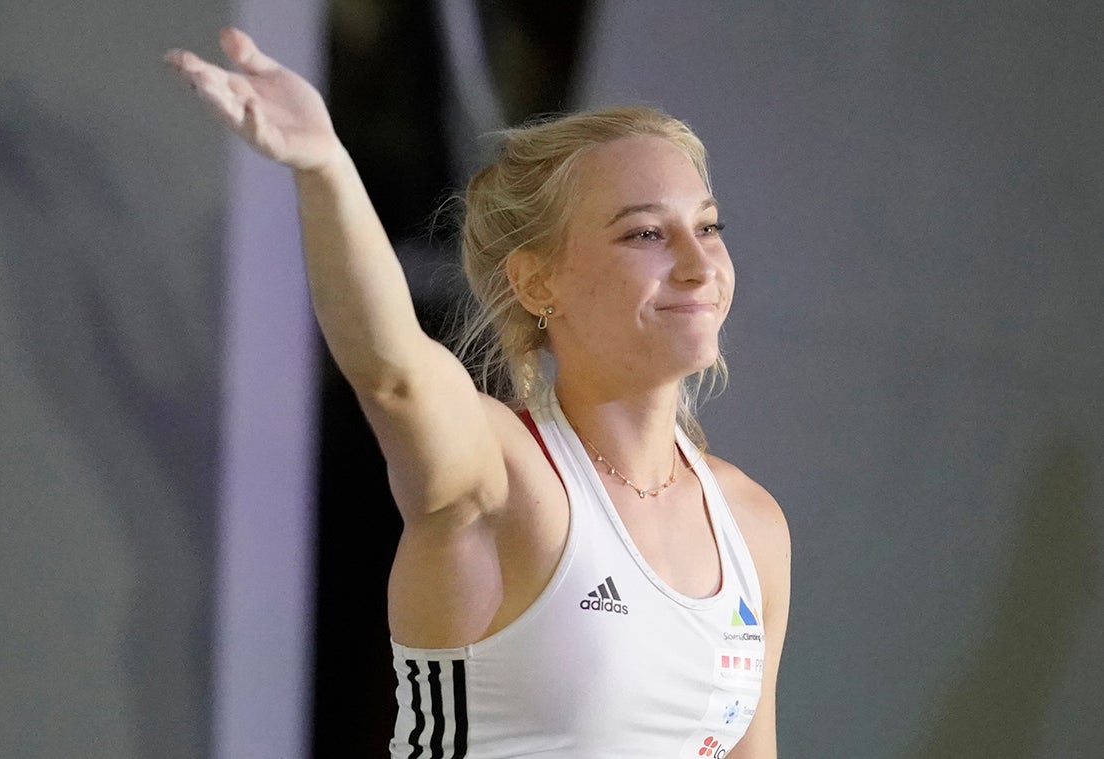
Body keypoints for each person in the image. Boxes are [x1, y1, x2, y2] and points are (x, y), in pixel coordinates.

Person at [165, 27, 791, 758]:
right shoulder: (501, 472)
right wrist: (324, 168)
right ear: (535, 281)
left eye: (708, 227)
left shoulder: (752, 525)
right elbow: (393, 373)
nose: (698, 264)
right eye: (646, 234)